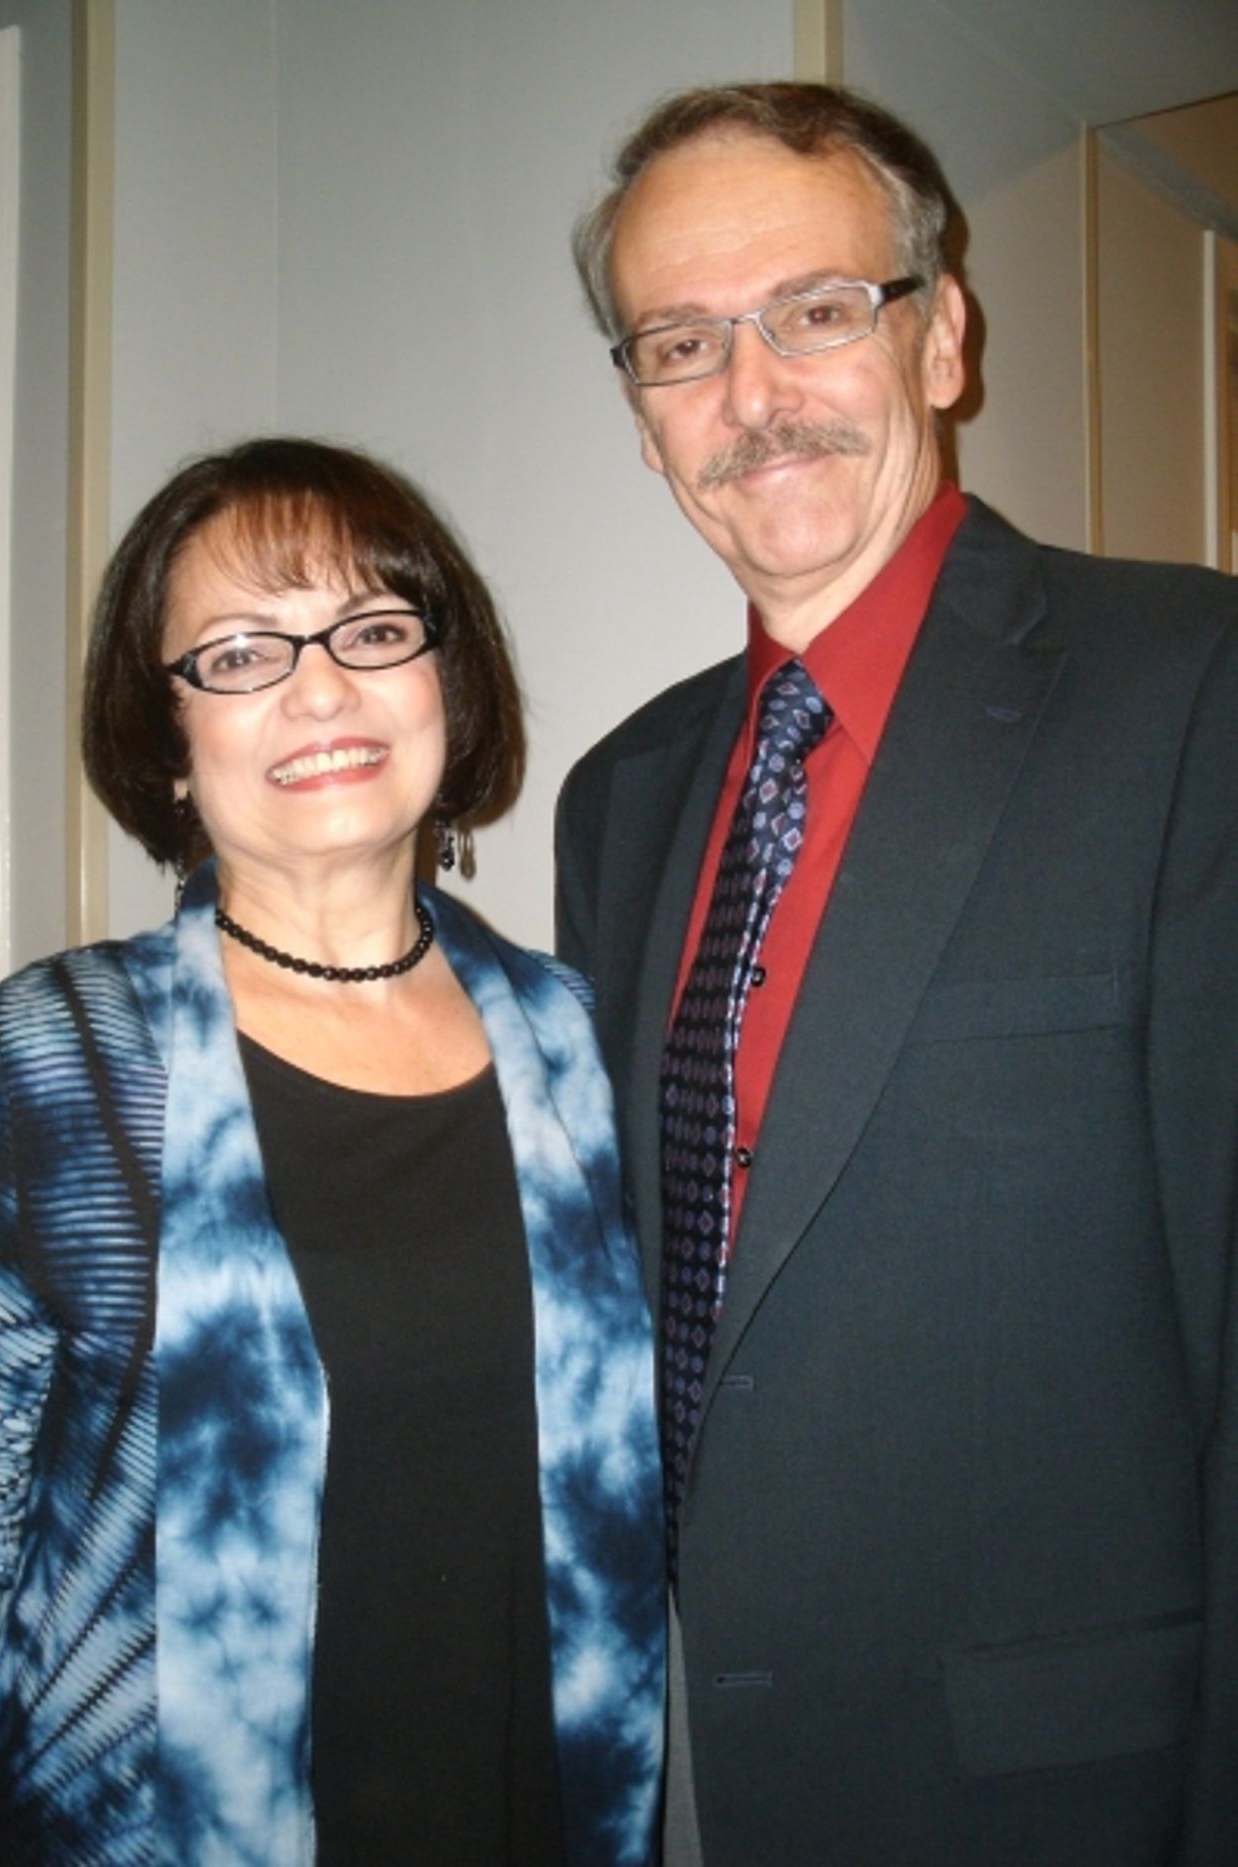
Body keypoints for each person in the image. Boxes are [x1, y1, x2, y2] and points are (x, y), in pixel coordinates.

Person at [556, 81, 1237, 1867]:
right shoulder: (616, 798)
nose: (751, 394)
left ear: (941, 339)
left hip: (1063, 1792)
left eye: (818, 310)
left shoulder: (1197, 690)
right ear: (640, 419)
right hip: (677, 1764)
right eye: (680, 343)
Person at [0, 437, 665, 1867]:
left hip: (541, 1808)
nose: (323, 685)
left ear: (444, 684)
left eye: (374, 628)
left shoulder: (573, 1037)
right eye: (240, 653)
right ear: (166, 742)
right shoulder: (45, 1060)